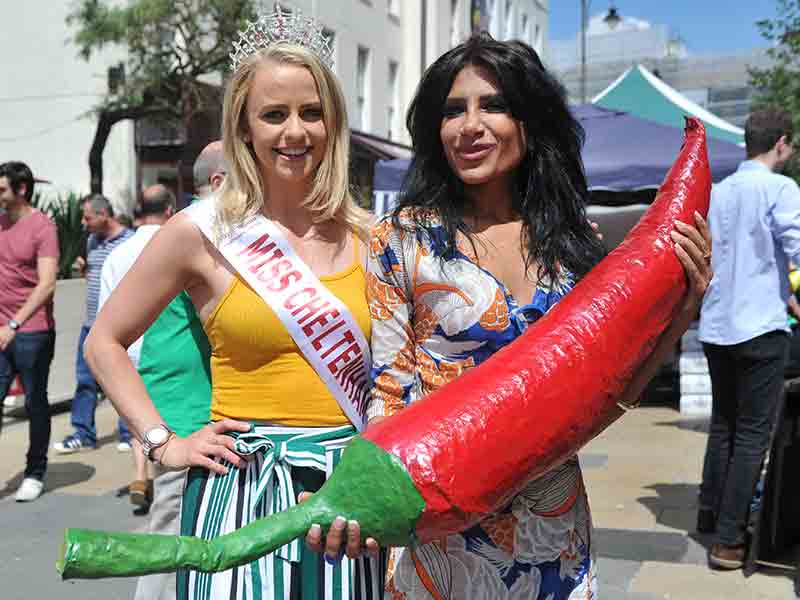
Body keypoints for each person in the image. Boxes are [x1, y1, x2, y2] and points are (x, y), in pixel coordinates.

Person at [357, 33, 712, 598]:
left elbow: (608, 395)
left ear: (530, 120)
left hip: (553, 534)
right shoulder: (401, 239)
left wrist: (682, 308)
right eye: (453, 110)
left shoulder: (573, 245)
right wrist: (370, 502)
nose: (470, 125)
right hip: (442, 539)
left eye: (493, 105)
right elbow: (387, 392)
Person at [83, 11, 385, 599]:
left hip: (345, 496)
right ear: (244, 128)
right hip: (241, 493)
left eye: (311, 112)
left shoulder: (372, 236)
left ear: (333, 122)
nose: (295, 131)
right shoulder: (202, 232)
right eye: (274, 115)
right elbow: (103, 342)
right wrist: (164, 442)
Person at [697, 106, 800, 570]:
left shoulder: (717, 192)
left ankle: (710, 513)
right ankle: (728, 540)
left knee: (724, 425)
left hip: (718, 323)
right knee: (752, 436)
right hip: (760, 324)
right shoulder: (780, 188)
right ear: (780, 143)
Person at [132, 142, 224, 600]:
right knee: (171, 555)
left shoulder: (201, 229)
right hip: (188, 419)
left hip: (185, 411)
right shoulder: (197, 235)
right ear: (219, 183)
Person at [98, 184, 177, 513]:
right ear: (170, 211)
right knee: (169, 419)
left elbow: (103, 318)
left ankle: (140, 475)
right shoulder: (178, 246)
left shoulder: (117, 254)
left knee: (138, 417)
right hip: (170, 350)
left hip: (127, 350)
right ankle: (160, 480)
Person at [54, 194, 134, 454]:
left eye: (87, 217)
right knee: (85, 380)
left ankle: (130, 432)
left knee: (124, 380)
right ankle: (83, 433)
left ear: (104, 215)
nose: (83, 222)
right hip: (90, 325)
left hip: (120, 327)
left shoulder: (130, 242)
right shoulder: (92, 241)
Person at [0, 161, 58, 502]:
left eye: (2, 189)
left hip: (32, 333)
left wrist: (13, 324)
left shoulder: (42, 227)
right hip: (2, 332)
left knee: (35, 403)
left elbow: (47, 284)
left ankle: (35, 472)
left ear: (21, 189)